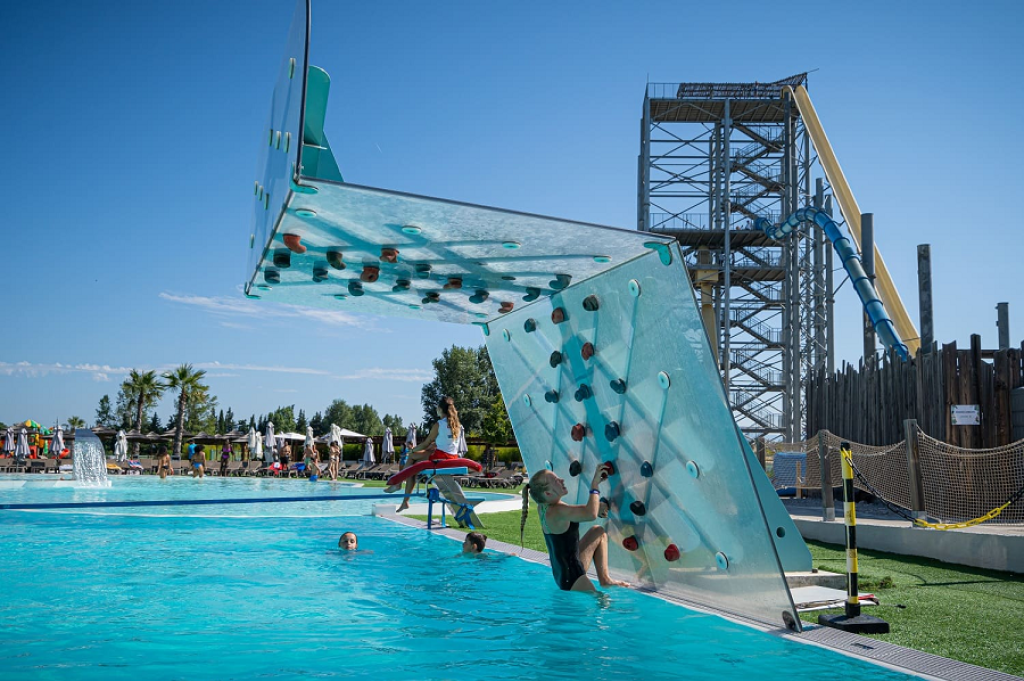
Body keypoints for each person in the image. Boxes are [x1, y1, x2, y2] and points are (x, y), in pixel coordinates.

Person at [520, 465, 628, 592]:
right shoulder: (558, 511)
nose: (561, 480)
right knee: (601, 603)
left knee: (598, 532)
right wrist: (595, 485)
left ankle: (605, 579)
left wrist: (595, 506)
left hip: (561, 572)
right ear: (548, 493)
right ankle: (602, 586)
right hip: (573, 577)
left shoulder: (544, 507)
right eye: (556, 481)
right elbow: (590, 514)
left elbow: (575, 511)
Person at [385, 396, 463, 512]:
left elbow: (426, 443)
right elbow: (448, 444)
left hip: (441, 457)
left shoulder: (439, 424)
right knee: (412, 468)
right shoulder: (457, 425)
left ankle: (399, 485)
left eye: (437, 408)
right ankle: (404, 499)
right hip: (452, 457)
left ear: (440, 409)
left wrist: (412, 450)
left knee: (411, 457)